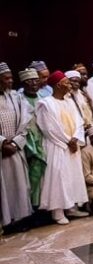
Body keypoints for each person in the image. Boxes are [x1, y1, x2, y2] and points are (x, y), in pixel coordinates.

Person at [36, 71, 89, 225]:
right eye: (66, 82)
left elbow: (79, 122)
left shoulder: (69, 101)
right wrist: (68, 141)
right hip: (57, 146)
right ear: (58, 85)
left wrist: (76, 138)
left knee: (73, 176)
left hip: (72, 145)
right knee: (58, 178)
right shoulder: (46, 104)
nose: (69, 85)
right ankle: (57, 212)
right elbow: (49, 128)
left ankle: (71, 208)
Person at [0, 63, 32, 228]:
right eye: (7, 78)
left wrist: (15, 142)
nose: (11, 81)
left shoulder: (16, 97)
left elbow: (26, 122)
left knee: (19, 185)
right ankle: (5, 221)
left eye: (11, 77)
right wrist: (2, 143)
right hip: (2, 151)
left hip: (15, 148)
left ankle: (19, 219)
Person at [18, 68, 47, 207]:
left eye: (36, 80)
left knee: (43, 174)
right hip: (27, 143)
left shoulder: (44, 99)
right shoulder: (19, 100)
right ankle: (31, 206)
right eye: (29, 81)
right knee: (30, 176)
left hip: (44, 140)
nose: (34, 83)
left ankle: (41, 205)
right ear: (23, 83)